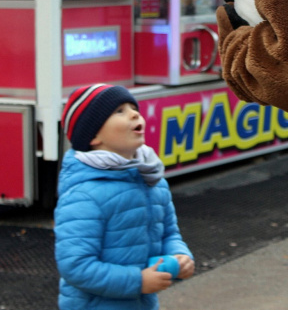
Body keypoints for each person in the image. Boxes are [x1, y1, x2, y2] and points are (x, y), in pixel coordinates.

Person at [54, 84, 194, 310]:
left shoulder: (152, 179)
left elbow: (169, 233)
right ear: (94, 136)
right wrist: (137, 281)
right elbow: (76, 266)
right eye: (119, 111)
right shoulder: (84, 195)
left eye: (133, 107)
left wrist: (179, 256)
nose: (134, 113)